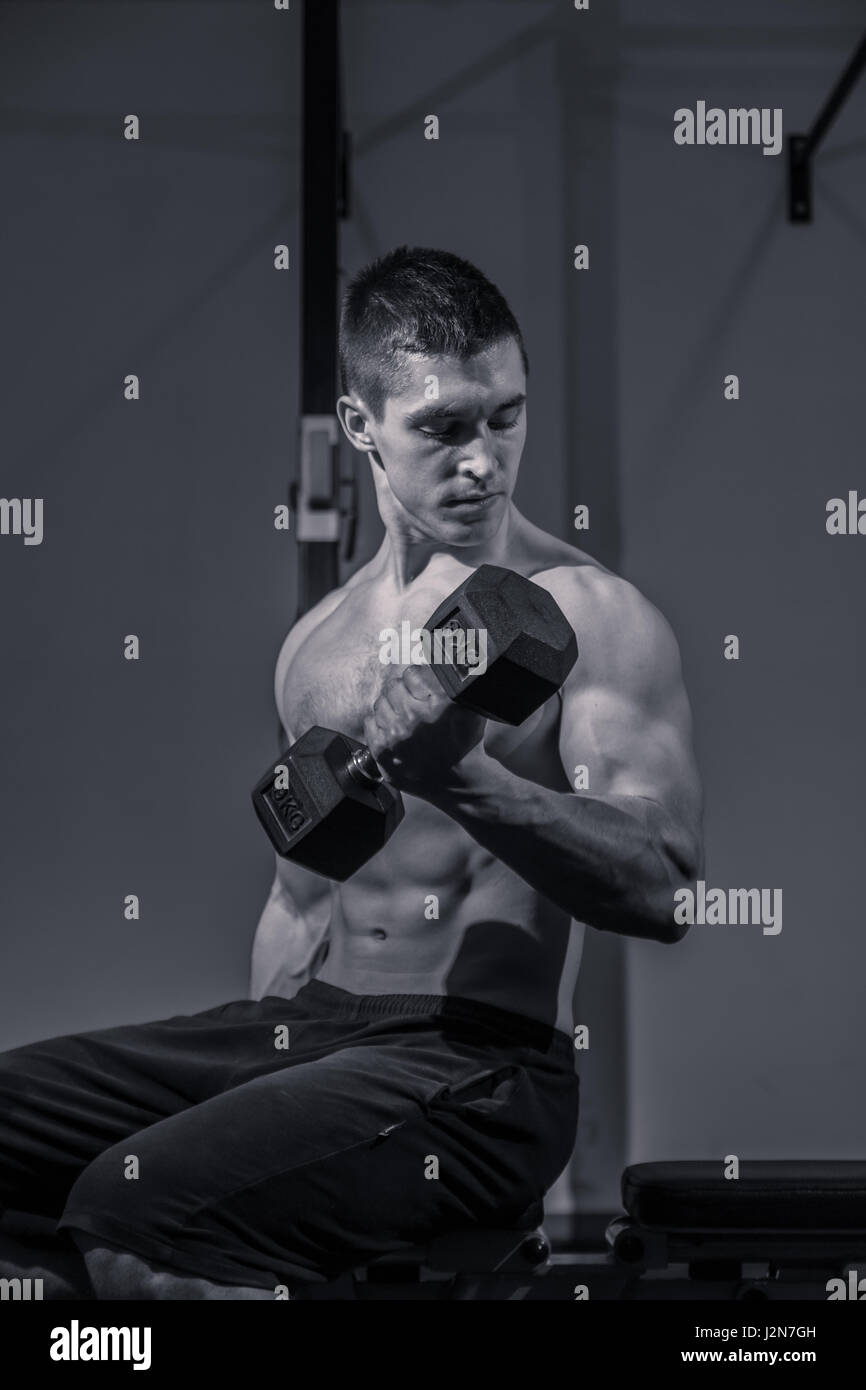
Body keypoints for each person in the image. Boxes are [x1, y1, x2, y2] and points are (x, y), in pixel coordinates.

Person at [0, 247, 702, 1299]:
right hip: (313, 1037)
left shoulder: (587, 612)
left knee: (134, 1208)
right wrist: (243, 1122)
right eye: (444, 427)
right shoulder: (315, 645)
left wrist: (468, 784)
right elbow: (296, 908)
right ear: (361, 424)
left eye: (504, 416)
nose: (483, 461)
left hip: (479, 1067)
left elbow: (664, 885)